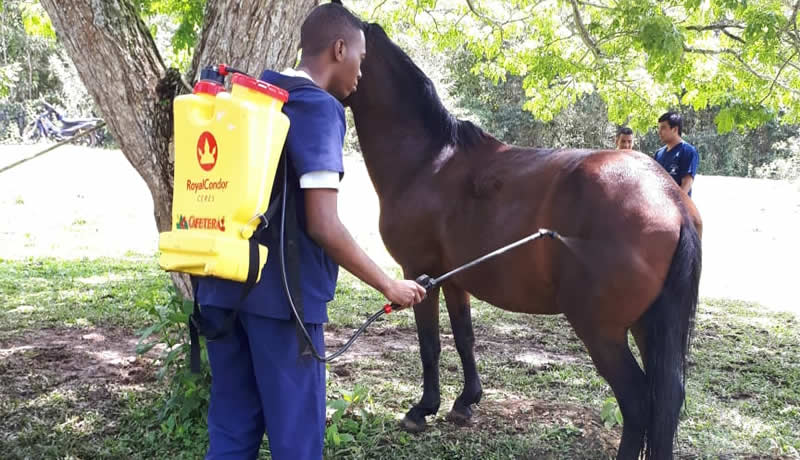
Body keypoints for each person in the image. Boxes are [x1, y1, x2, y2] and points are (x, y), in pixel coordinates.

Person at [194, 4, 427, 459]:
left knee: (231, 431)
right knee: (296, 443)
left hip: (220, 291)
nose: (361, 73)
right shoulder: (318, 108)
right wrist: (388, 284)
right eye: (360, 58)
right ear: (339, 49)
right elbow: (323, 223)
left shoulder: (252, 98)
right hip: (284, 307)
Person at [654, 111, 700, 196]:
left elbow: (686, 185)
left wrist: (673, 206)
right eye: (659, 128)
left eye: (663, 128)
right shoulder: (658, 154)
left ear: (675, 129)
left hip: (677, 208)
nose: (659, 132)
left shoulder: (688, 151)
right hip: (658, 206)